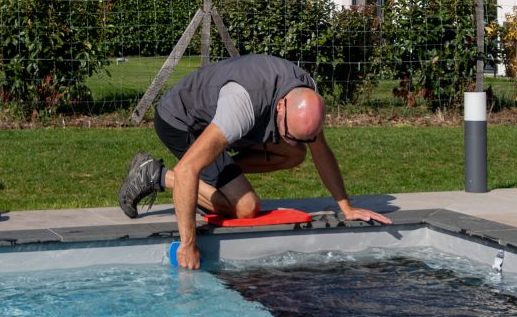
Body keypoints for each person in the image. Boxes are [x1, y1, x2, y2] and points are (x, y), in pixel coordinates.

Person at [118, 54, 392, 270]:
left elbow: (321, 151)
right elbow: (189, 168)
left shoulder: (305, 98)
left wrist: (346, 207)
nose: (292, 140)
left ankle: (222, 179)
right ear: (281, 106)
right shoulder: (240, 108)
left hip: (227, 125)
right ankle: (154, 174)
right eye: (289, 134)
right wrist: (188, 244)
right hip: (182, 121)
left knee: (295, 154)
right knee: (245, 207)